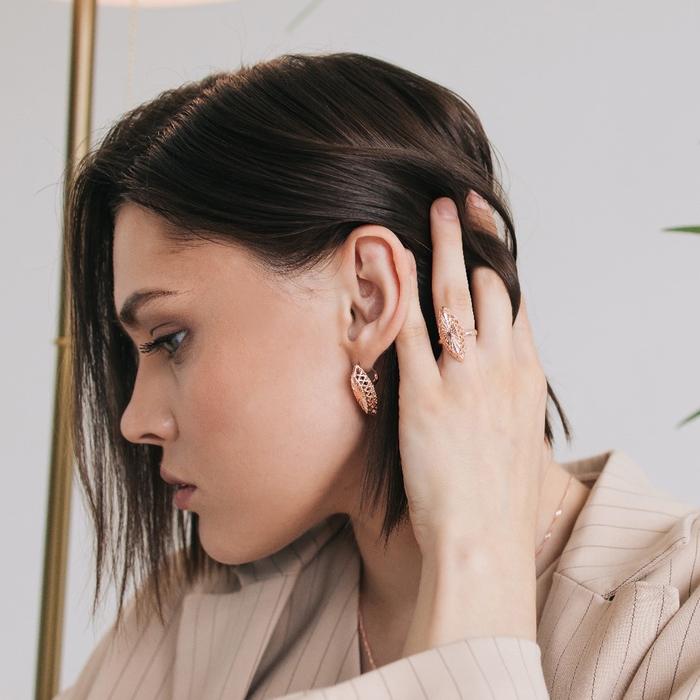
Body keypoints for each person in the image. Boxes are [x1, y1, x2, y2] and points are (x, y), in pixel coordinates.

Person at [57, 53, 700, 700]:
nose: (134, 421)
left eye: (170, 340)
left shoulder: (678, 621)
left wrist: (473, 559)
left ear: (367, 297)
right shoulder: (184, 618)